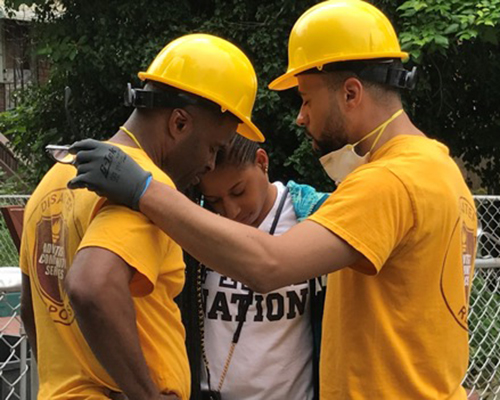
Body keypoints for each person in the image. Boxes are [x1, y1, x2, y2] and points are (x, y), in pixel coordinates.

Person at [68, 1, 477, 399]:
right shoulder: (442, 173)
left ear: (351, 93)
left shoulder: (389, 180)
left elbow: (270, 265)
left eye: (307, 98)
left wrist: (143, 190)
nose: (300, 117)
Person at [19, 33, 264, 400]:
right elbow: (91, 286)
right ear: (179, 124)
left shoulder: (55, 180)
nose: (210, 164)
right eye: (213, 147)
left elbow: (30, 310)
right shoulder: (144, 189)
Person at [196, 135, 328, 400]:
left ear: (261, 161)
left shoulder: (315, 218)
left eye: (238, 191)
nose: (231, 211)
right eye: (214, 200)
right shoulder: (196, 222)